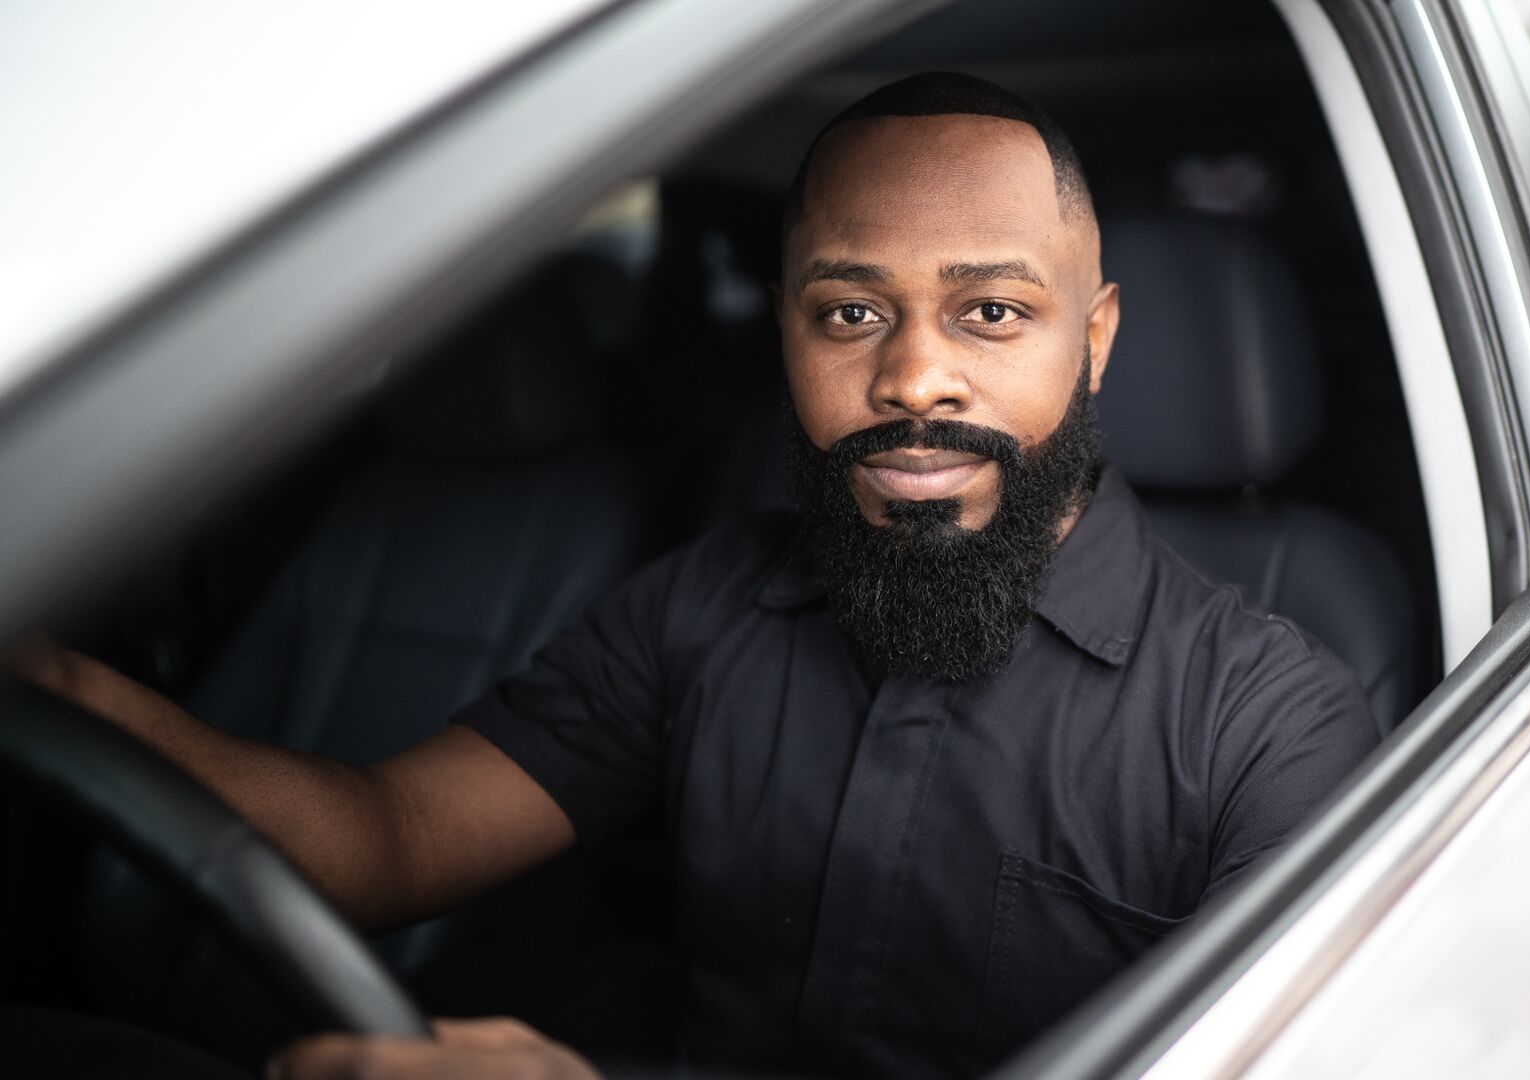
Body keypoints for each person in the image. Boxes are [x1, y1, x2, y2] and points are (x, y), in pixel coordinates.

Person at [17, 73, 1379, 1079]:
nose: (910, 376)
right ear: (783, 335)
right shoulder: (707, 602)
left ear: (1095, 342)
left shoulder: (1268, 719)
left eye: (991, 313)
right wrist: (68, 694)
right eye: (850, 313)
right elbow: (391, 837)